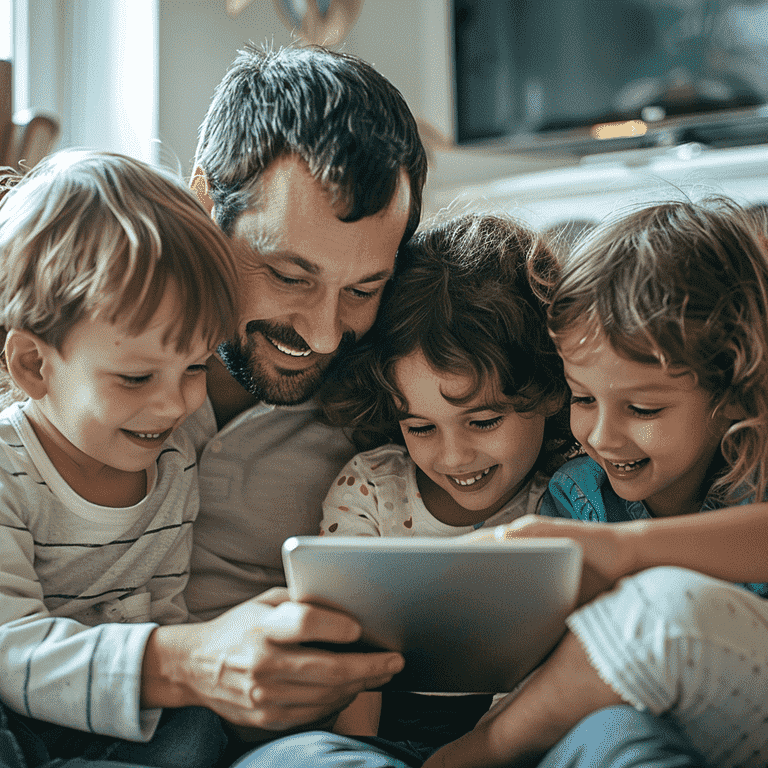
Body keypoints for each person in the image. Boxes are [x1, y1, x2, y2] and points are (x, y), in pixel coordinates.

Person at [420, 197, 768, 768]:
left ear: (731, 392)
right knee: (613, 729)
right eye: (583, 398)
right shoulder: (579, 494)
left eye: (643, 409)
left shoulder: (755, 471)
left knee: (656, 614)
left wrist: (624, 552)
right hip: (632, 725)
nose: (602, 436)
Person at [0, 150, 239, 767]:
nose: (175, 404)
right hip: (14, 706)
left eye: (195, 367)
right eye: (135, 378)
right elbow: (10, 647)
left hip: (129, 709)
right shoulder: (7, 470)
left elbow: (164, 607)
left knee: (203, 733)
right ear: (34, 365)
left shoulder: (176, 449)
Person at [317, 213, 574, 752]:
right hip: (380, 727)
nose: (455, 456)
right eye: (421, 427)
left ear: (550, 391)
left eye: (483, 422)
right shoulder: (371, 489)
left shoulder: (569, 499)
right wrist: (354, 750)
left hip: (517, 734)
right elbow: (350, 655)